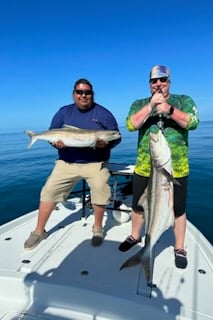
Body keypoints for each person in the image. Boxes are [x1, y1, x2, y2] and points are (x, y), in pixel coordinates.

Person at [24, 78, 121, 250]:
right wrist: (55, 143)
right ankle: (39, 231)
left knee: (100, 187)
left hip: (95, 162)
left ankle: (97, 227)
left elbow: (116, 136)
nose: (83, 95)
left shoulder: (103, 113)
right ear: (74, 94)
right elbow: (52, 134)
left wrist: (106, 143)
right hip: (66, 163)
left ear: (92, 94)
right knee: (49, 190)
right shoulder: (63, 112)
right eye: (79, 92)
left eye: (87, 92)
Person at [118, 65, 199, 269]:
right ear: (149, 84)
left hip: (176, 169)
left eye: (162, 80)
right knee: (138, 205)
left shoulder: (184, 101)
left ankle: (179, 247)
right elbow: (130, 124)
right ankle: (135, 236)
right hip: (145, 167)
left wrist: (169, 110)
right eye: (154, 81)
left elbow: (193, 122)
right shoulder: (139, 103)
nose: (158, 84)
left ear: (169, 82)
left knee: (178, 210)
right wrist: (151, 107)